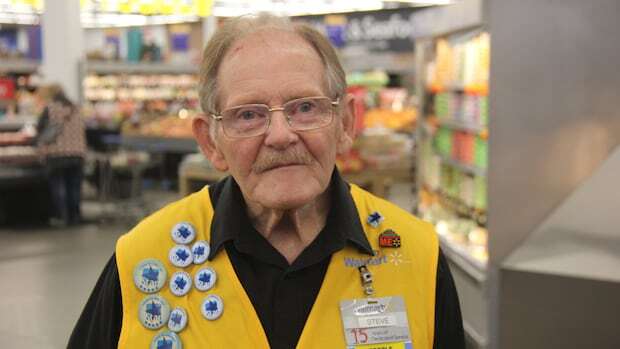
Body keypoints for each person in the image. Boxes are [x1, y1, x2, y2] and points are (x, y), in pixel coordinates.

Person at [68, 14, 464, 349]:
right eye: (248, 115)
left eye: (305, 107)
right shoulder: (141, 258)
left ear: (345, 123)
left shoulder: (418, 255)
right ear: (211, 141)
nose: (280, 135)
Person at [35, 83, 86, 226]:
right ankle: (75, 217)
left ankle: (61, 217)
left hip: (57, 154)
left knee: (58, 188)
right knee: (74, 187)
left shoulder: (50, 109)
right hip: (77, 153)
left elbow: (40, 130)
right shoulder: (76, 108)